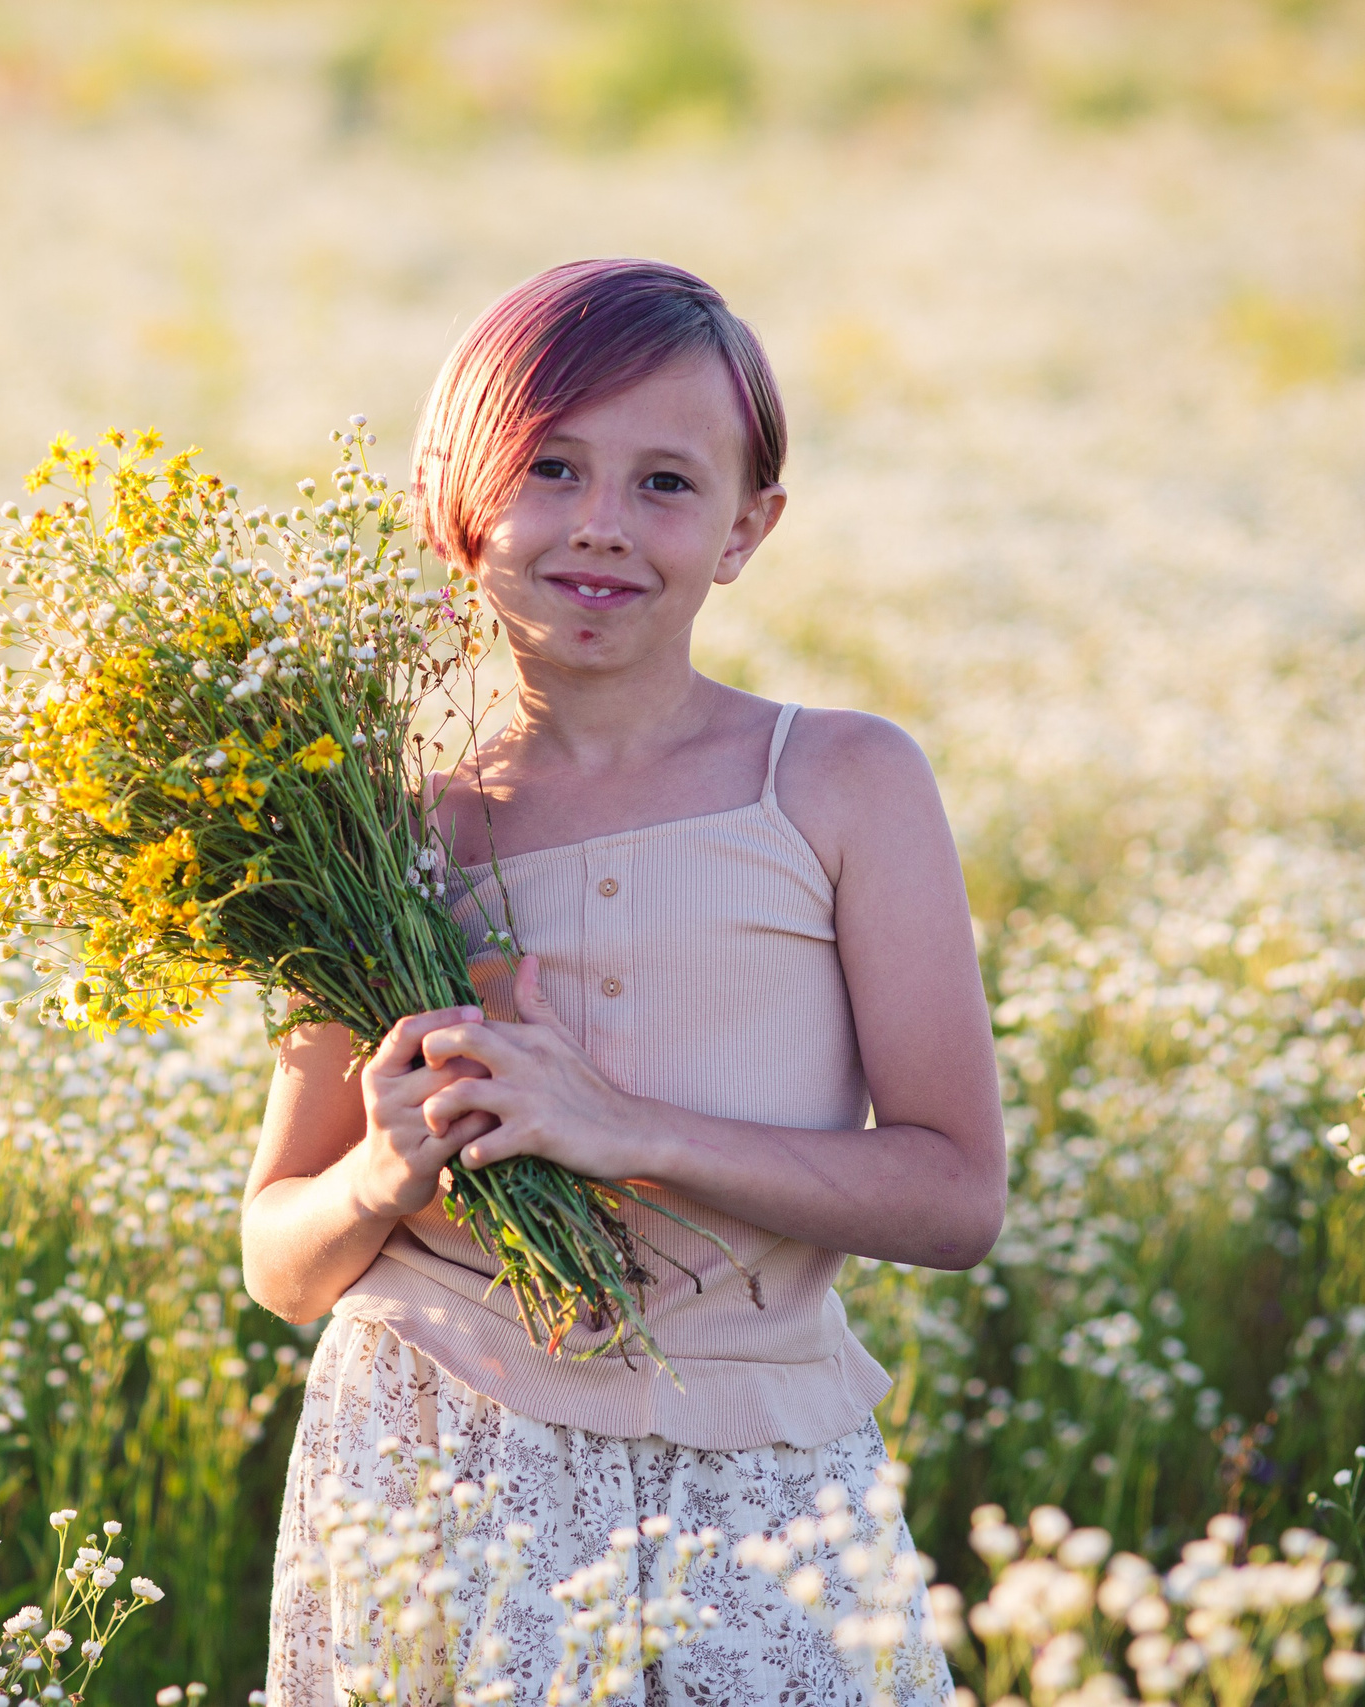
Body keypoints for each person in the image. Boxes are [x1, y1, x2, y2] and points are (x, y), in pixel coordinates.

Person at [242, 258, 1005, 1705]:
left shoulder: (841, 783)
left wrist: (627, 1129)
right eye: (548, 466)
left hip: (756, 1479)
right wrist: (385, 1174)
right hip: (428, 1469)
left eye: (667, 482)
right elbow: (282, 1261)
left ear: (747, 528)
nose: (600, 524)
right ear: (449, 506)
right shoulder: (372, 829)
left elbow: (957, 1197)